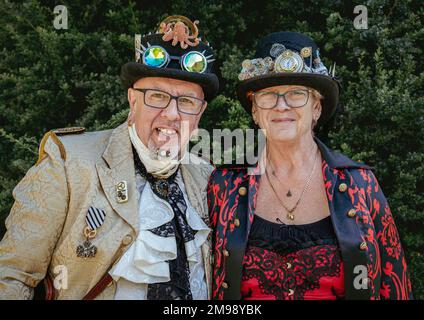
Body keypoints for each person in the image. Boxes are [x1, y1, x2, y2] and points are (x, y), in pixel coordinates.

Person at [0, 15, 218, 300]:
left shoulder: (208, 178)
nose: (172, 114)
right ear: (132, 100)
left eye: (187, 102)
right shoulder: (68, 161)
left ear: (199, 114)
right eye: (156, 96)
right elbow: (13, 276)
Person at [207, 31, 413, 300]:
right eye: (269, 95)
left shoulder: (360, 183)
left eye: (296, 94)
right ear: (255, 110)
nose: (281, 106)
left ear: (316, 108)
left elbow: (395, 284)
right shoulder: (223, 185)